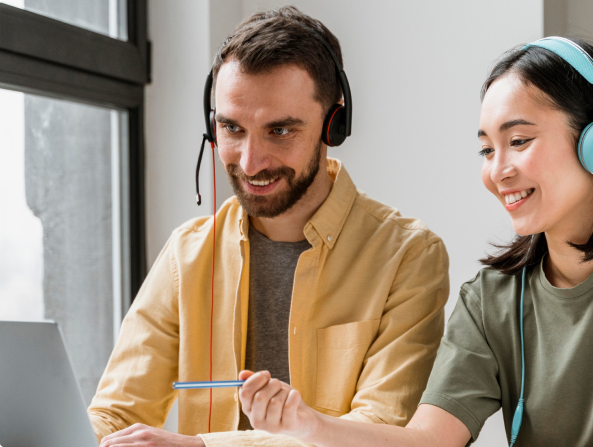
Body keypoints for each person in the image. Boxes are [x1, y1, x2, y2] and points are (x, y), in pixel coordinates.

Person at [234, 37, 593, 447]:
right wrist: (309, 425)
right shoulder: (492, 301)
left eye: (519, 141)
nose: (498, 170)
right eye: (487, 149)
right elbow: (428, 440)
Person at [90, 7, 449, 447]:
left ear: (333, 125)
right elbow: (117, 413)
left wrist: (203, 446)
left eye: (279, 131)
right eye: (231, 128)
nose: (250, 162)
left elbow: (378, 429)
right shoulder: (188, 254)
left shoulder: (409, 256)